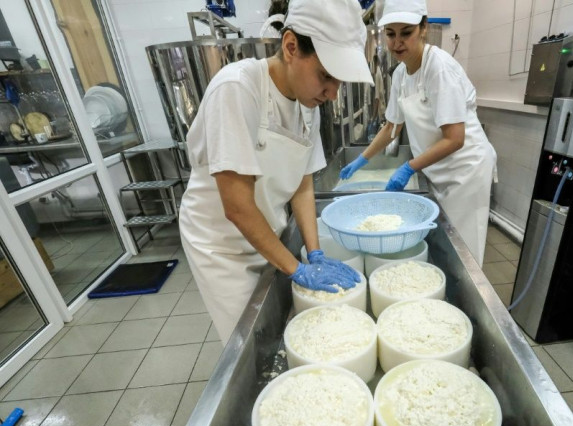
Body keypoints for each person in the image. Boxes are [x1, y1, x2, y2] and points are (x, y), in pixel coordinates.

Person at [179, 0, 374, 344]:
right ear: (290, 47)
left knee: (282, 326)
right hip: (221, 248)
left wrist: (314, 253)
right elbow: (237, 206)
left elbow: (303, 184)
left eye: (339, 82)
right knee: (250, 340)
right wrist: (297, 269)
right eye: (326, 76)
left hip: (266, 233)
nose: (332, 93)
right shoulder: (237, 88)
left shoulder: (308, 104)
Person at [340, 0, 497, 264]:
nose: (397, 43)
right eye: (390, 34)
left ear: (423, 28)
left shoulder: (438, 67)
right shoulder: (401, 74)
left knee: (464, 246)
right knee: (443, 241)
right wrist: (361, 160)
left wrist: (409, 167)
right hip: (437, 168)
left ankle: (468, 294)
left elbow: (455, 138)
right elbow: (391, 127)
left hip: (465, 170)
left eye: (406, 32)